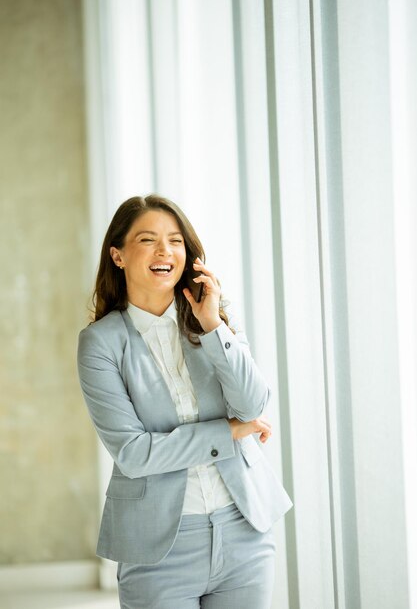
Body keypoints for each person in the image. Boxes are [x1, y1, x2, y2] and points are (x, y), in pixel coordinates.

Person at [77, 194, 292, 609]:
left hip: (244, 530)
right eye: (148, 239)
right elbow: (135, 453)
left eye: (175, 241)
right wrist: (228, 432)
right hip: (158, 548)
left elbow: (252, 406)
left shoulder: (213, 317)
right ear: (118, 256)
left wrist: (213, 325)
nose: (165, 251)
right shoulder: (100, 343)